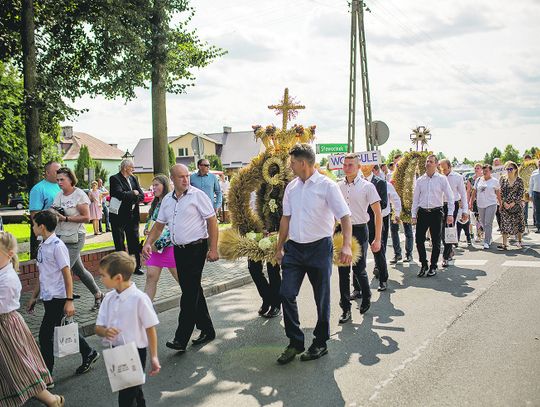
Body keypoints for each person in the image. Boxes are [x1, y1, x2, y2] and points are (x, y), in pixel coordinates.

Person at [275, 144, 352, 364]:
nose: (290, 167)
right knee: (286, 293)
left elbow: (345, 217)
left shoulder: (327, 186)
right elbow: (285, 219)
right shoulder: (291, 187)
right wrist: (279, 247)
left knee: (322, 298)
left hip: (319, 248)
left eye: (292, 163)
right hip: (295, 250)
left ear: (303, 163)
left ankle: (320, 342)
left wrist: (346, 246)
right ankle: (295, 341)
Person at [142, 164, 219, 354]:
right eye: (181, 177)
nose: (186, 180)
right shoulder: (167, 200)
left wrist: (213, 248)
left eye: (187, 176)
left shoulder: (198, 196)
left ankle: (181, 337)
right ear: (172, 179)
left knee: (189, 293)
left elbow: (212, 221)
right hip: (179, 250)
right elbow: (159, 226)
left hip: (196, 248)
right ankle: (208, 329)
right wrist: (148, 243)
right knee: (192, 289)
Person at [27, 211, 99, 377]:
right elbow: (42, 274)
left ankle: (47, 375)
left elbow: (67, 275)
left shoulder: (58, 246)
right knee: (62, 328)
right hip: (48, 296)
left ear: (42, 227)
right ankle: (89, 352)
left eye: (34, 224)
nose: (32, 227)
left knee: (45, 336)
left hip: (58, 297)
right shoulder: (42, 245)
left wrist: (69, 300)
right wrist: (33, 297)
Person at [0, 231, 65, 407]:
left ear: (9, 255)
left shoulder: (8, 279)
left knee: (19, 366)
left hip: (6, 326)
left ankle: (51, 399)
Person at [95, 252, 160, 407]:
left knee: (126, 395)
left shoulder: (140, 299)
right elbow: (97, 327)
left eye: (103, 275)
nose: (100, 279)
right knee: (135, 392)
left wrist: (154, 356)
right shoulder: (108, 299)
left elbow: (150, 328)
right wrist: (105, 331)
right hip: (117, 351)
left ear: (117, 278)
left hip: (136, 352)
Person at [337, 154, 382, 324]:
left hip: (360, 230)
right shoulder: (338, 186)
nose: (347, 168)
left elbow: (378, 214)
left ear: (358, 167)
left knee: (359, 269)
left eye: (350, 165)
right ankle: (345, 308)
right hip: (341, 231)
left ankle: (366, 294)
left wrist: (377, 239)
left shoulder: (367, 187)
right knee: (342, 271)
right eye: (345, 165)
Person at [50, 167, 103, 309]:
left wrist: (65, 218)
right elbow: (54, 210)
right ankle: (98, 294)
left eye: (62, 180)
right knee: (79, 271)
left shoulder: (79, 194)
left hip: (75, 237)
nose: (59, 183)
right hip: (61, 236)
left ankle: (63, 305)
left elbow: (86, 217)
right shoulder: (59, 195)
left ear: (71, 179)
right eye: (58, 180)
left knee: (63, 270)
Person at [411, 155, 454, 277]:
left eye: (431, 162)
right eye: (427, 161)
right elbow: (415, 199)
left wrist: (450, 213)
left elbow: (450, 197)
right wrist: (414, 215)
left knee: (436, 241)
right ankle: (423, 264)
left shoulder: (441, 179)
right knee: (419, 240)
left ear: (436, 165)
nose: (428, 163)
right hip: (423, 213)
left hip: (436, 213)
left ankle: (433, 266)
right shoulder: (420, 180)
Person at [142, 175, 179, 301]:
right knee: (151, 277)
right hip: (154, 248)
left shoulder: (172, 201)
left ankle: (196, 304)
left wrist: (157, 244)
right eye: (153, 185)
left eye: (156, 185)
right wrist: (147, 229)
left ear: (165, 185)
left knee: (181, 279)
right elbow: (152, 220)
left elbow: (173, 226)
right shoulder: (156, 203)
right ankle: (145, 311)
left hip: (169, 247)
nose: (154, 188)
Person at [109, 159, 145, 275]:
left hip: (133, 216)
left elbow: (142, 195)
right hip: (119, 217)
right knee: (119, 243)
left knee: (134, 242)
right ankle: (122, 269)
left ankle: (136, 266)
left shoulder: (134, 178)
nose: (133, 170)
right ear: (125, 168)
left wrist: (133, 195)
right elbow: (118, 194)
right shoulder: (115, 178)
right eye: (132, 167)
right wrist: (133, 193)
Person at [29, 161, 61, 259]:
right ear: (47, 173)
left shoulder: (61, 186)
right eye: (57, 171)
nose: (60, 174)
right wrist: (42, 234)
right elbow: (35, 214)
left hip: (65, 231)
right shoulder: (38, 189)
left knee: (74, 266)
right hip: (49, 234)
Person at [364, 165, 389, 290]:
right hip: (359, 223)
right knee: (358, 255)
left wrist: (370, 204)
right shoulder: (356, 182)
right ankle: (357, 287)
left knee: (378, 251)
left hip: (374, 222)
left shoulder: (380, 183)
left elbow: (383, 203)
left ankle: (383, 279)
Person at [439, 159, 469, 267]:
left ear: (450, 167)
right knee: (441, 232)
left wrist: (465, 211)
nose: (443, 171)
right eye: (441, 169)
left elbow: (463, 194)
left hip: (452, 205)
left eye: (445, 169)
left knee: (448, 229)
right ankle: (450, 249)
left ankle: (445, 257)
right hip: (440, 205)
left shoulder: (457, 177)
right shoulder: (438, 177)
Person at [470, 164, 501, 249]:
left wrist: (500, 204)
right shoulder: (478, 180)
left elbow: (498, 193)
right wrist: (471, 202)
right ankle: (489, 236)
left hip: (491, 204)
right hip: (480, 204)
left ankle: (486, 242)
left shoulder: (495, 181)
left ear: (490, 171)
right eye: (483, 171)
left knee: (488, 223)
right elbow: (474, 191)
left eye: (486, 171)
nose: (484, 172)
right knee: (483, 223)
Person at [498, 161, 525, 249]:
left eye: (510, 169)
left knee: (518, 223)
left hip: (516, 205)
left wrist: (514, 202)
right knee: (504, 224)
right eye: (507, 169)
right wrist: (504, 202)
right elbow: (501, 192)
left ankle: (519, 241)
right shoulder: (503, 179)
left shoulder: (519, 180)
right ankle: (504, 243)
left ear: (515, 169)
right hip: (505, 206)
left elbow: (521, 193)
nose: (509, 170)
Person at [467, 163, 484, 242]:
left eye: (478, 168)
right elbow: (468, 191)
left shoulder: (484, 178)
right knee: (476, 218)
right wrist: (468, 202)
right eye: (475, 168)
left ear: (481, 169)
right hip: (474, 201)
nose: (476, 170)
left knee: (481, 218)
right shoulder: (470, 179)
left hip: (483, 201)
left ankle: (481, 233)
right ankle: (477, 234)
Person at [530, 160, 540, 233]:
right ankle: (538, 227)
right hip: (536, 193)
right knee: (537, 210)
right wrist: (530, 195)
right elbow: (531, 184)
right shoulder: (534, 173)